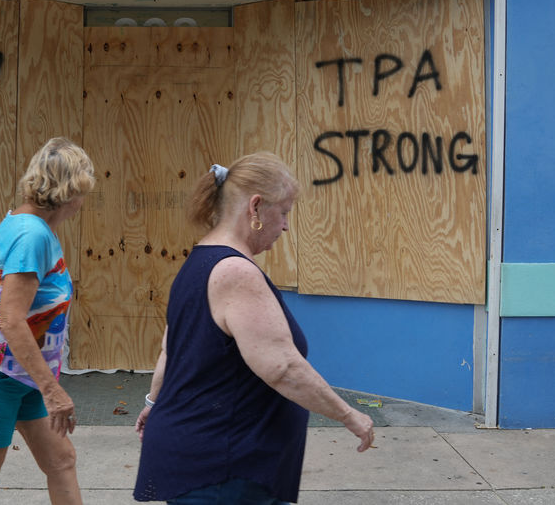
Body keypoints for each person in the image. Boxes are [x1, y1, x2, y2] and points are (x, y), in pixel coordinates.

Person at [133, 152, 375, 505]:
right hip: (225, 471)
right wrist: (350, 415)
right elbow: (283, 368)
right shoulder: (236, 273)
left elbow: (172, 351)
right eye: (285, 211)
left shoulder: (199, 261)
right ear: (256, 207)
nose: (286, 225)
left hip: (210, 464)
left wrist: (155, 403)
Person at [0, 137, 95, 505]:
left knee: (61, 461)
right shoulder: (32, 235)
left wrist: (43, 384)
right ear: (71, 192)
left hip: (22, 374)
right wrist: (53, 390)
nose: (84, 201)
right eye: (84, 189)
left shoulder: (29, 225)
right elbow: (10, 320)